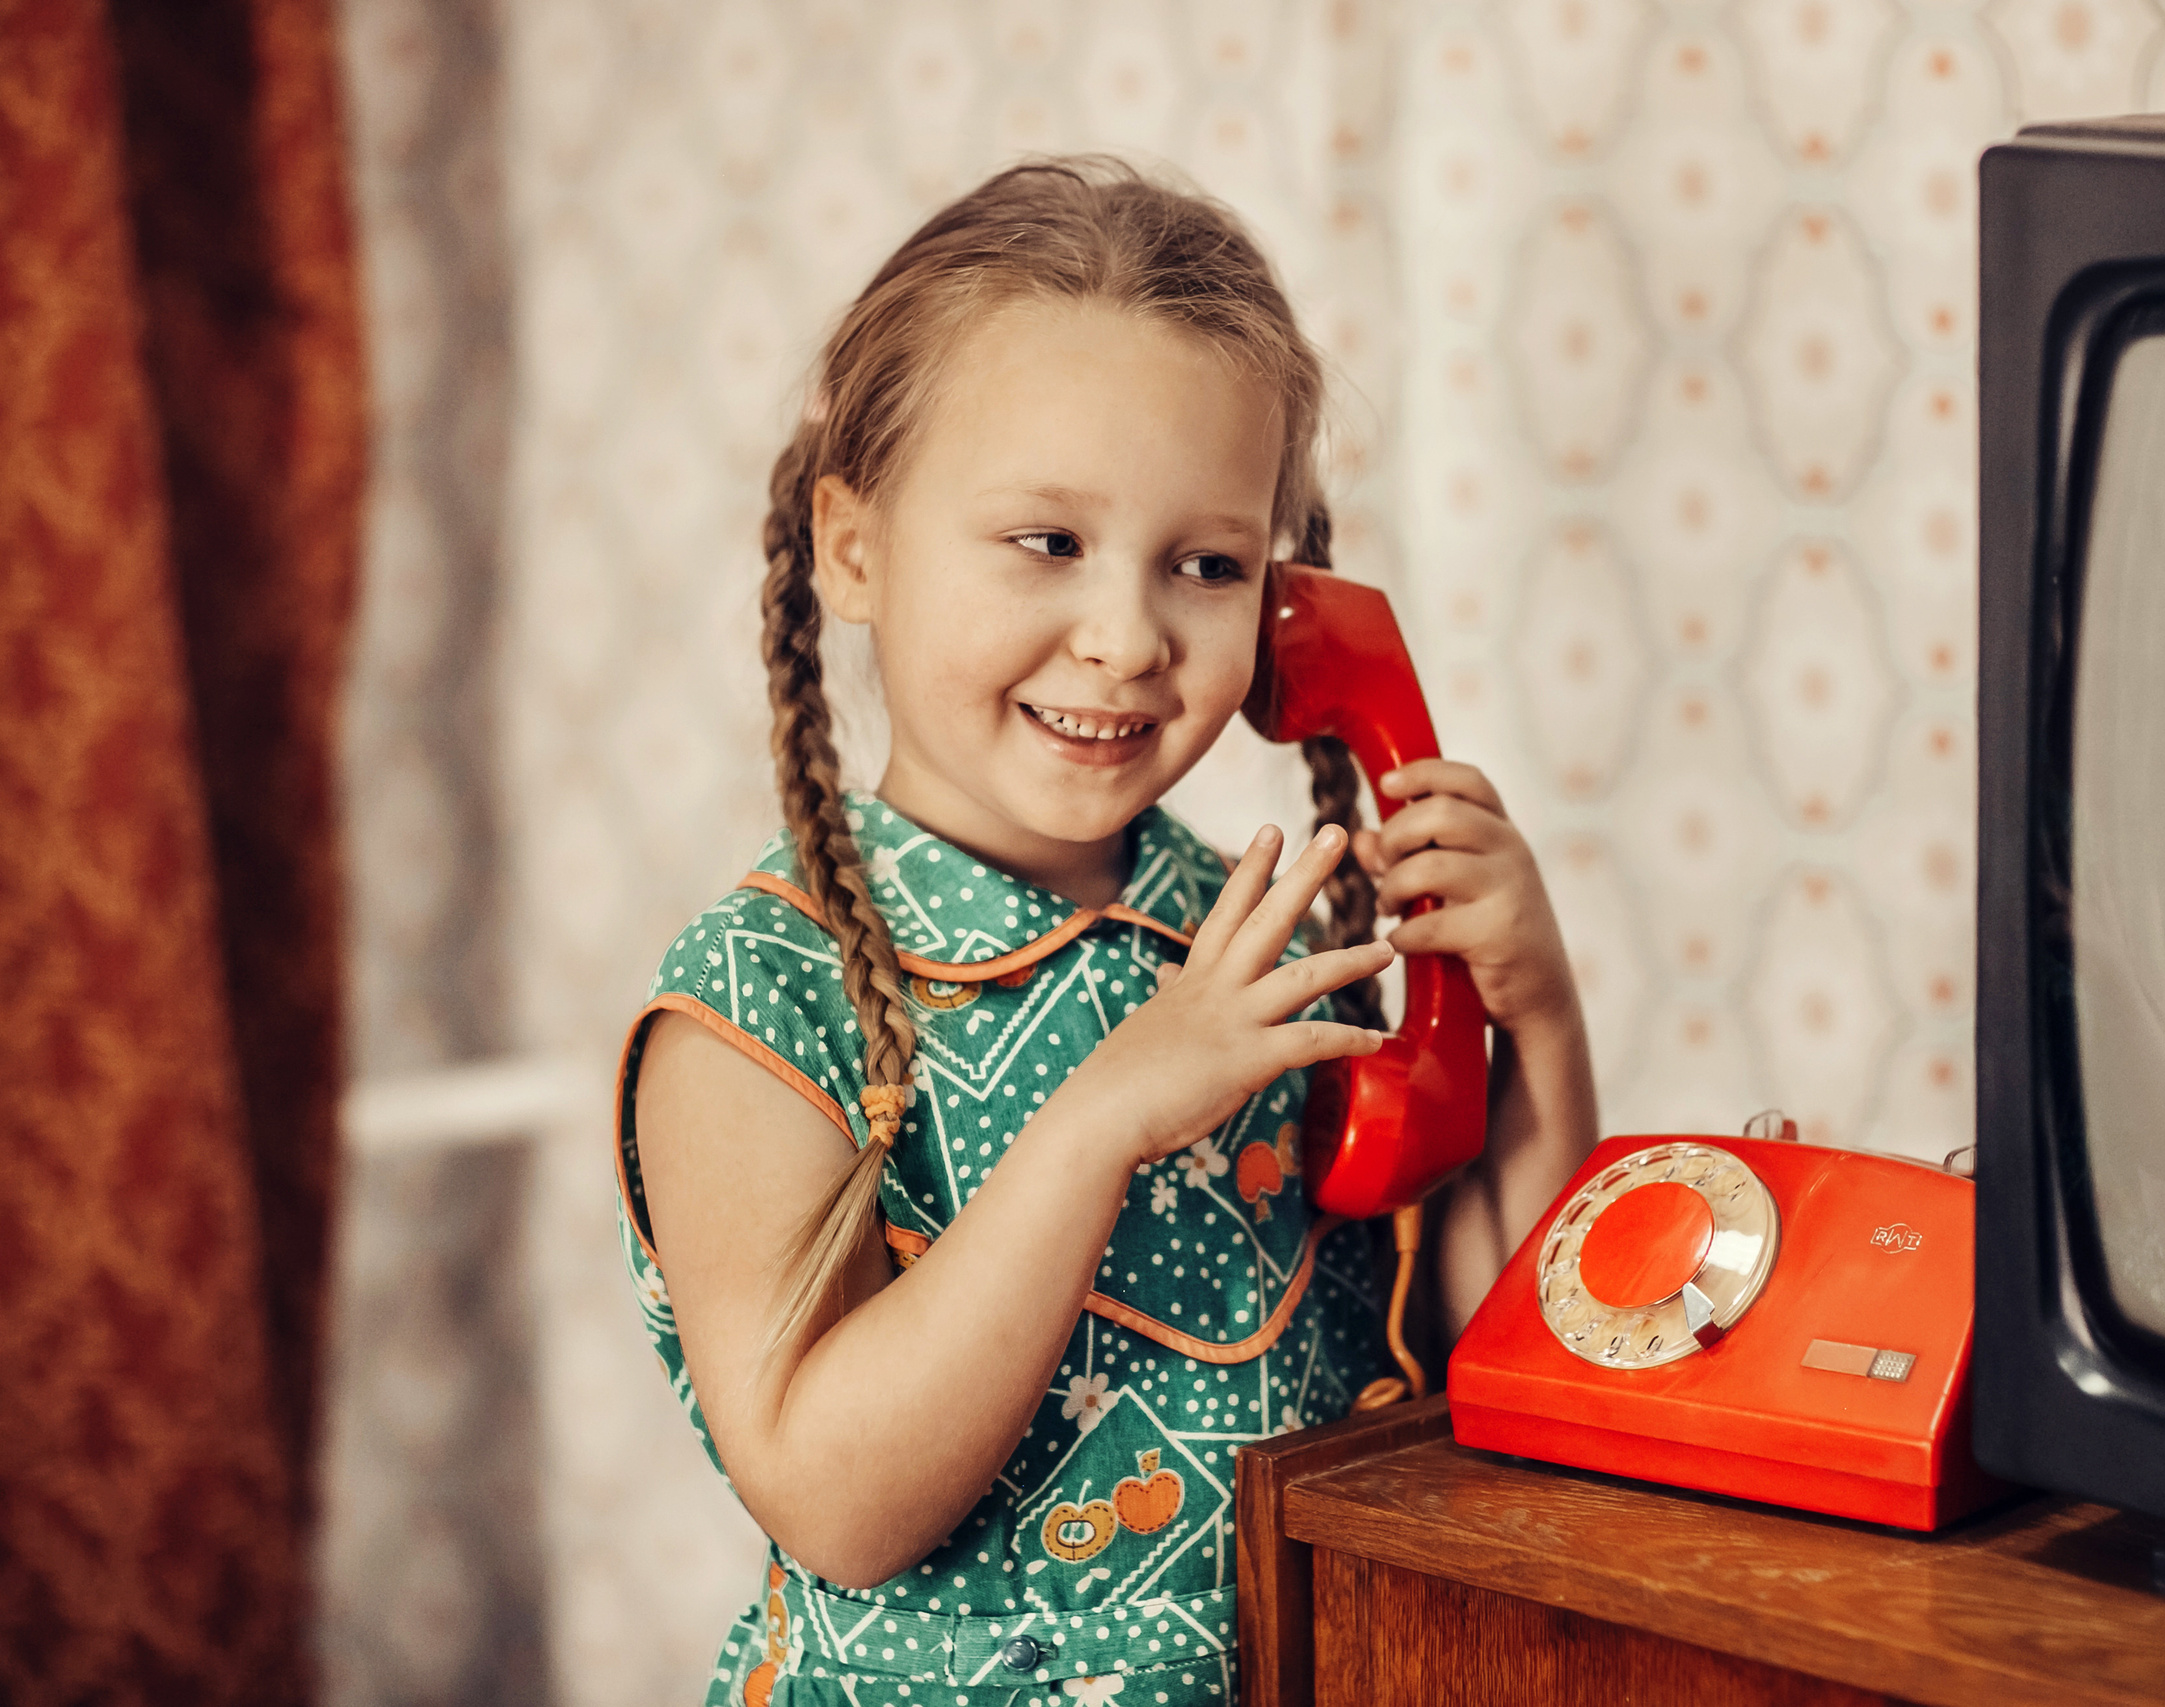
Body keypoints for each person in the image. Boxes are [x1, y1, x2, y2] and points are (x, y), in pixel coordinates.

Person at [617, 157, 1598, 1706]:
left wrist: (1529, 1012)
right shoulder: (758, 999)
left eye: (1206, 565)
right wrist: (1103, 1120)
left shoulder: (1253, 930)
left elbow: (1499, 1340)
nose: (1131, 639)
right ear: (856, 551)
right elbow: (838, 1505)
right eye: (1048, 542)